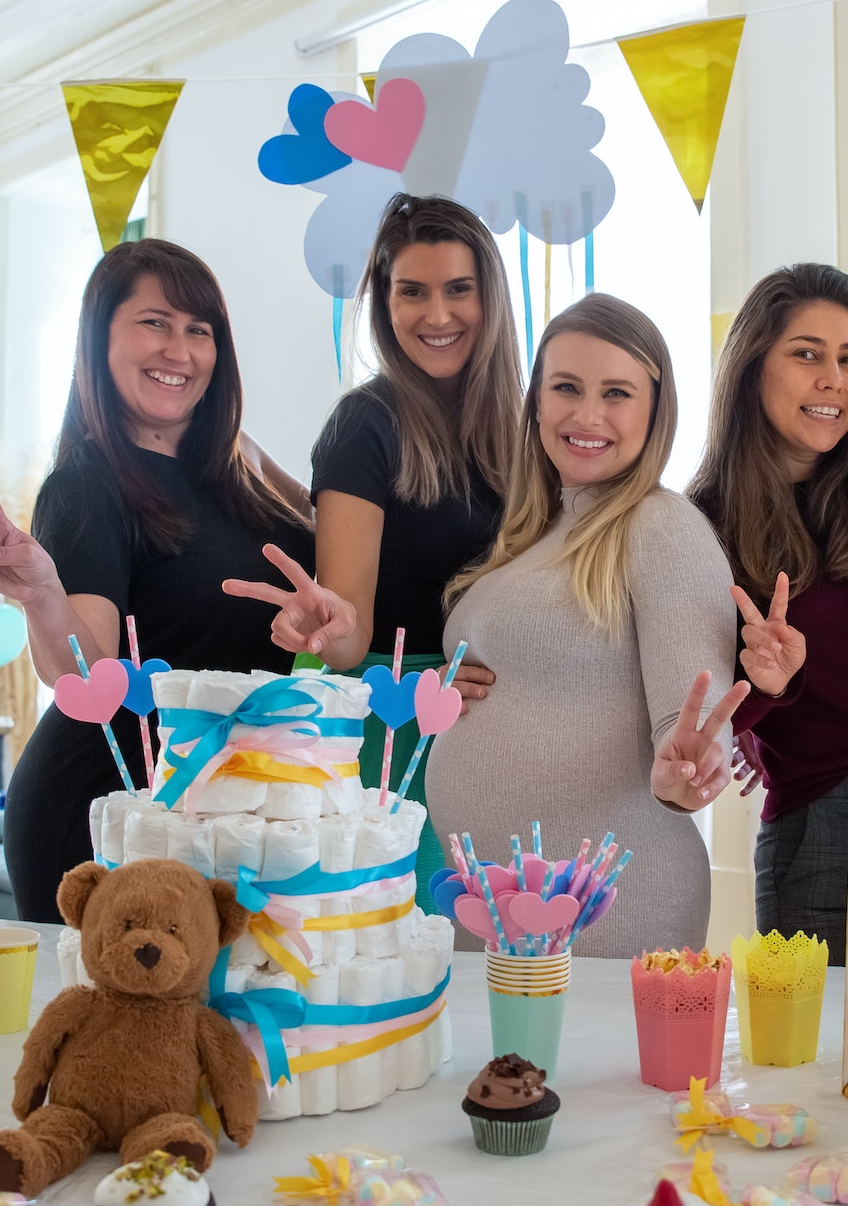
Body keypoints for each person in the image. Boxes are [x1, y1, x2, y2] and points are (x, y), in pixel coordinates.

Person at [236, 294, 748, 957]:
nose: (587, 415)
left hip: (608, 904)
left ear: (657, 411)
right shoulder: (536, 532)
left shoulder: (663, 525)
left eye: (616, 393)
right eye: (566, 387)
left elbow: (690, 723)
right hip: (492, 906)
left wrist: (686, 775)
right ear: (536, 402)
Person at [0, 239, 314, 922]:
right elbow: (85, 676)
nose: (179, 351)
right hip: (109, 803)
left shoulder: (240, 459)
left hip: (230, 802)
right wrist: (44, 594)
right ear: (100, 339)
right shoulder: (87, 483)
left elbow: (337, 545)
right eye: (154, 323)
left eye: (199, 330)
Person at [685, 264, 848, 963]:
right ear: (752, 367)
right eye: (807, 354)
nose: (834, 379)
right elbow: (705, 720)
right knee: (821, 1036)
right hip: (827, 825)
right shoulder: (701, 524)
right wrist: (766, 691)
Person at [294, 194, 522, 905]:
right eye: (412, 292)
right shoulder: (364, 426)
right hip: (394, 732)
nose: (438, 314)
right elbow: (346, 637)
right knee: (403, 944)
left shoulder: (526, 426)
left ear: (490, 298)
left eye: (459, 289)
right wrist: (333, 632)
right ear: (383, 303)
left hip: (498, 738)